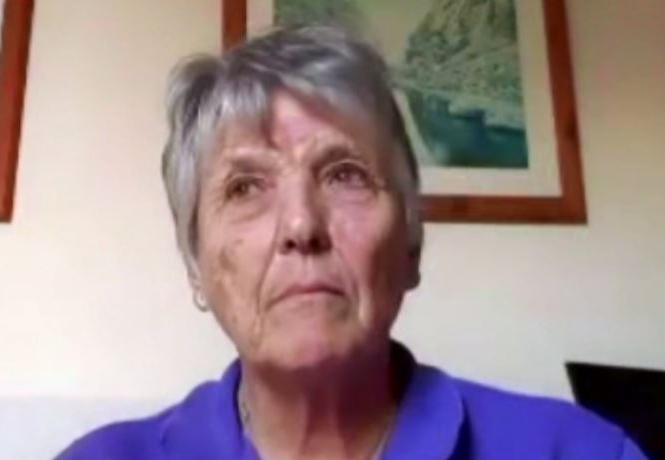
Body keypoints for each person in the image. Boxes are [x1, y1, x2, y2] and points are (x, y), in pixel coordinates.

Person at [56, 26, 648, 460]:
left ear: (411, 243)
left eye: (345, 175)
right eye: (245, 188)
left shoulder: (580, 451)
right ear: (195, 266)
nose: (301, 227)